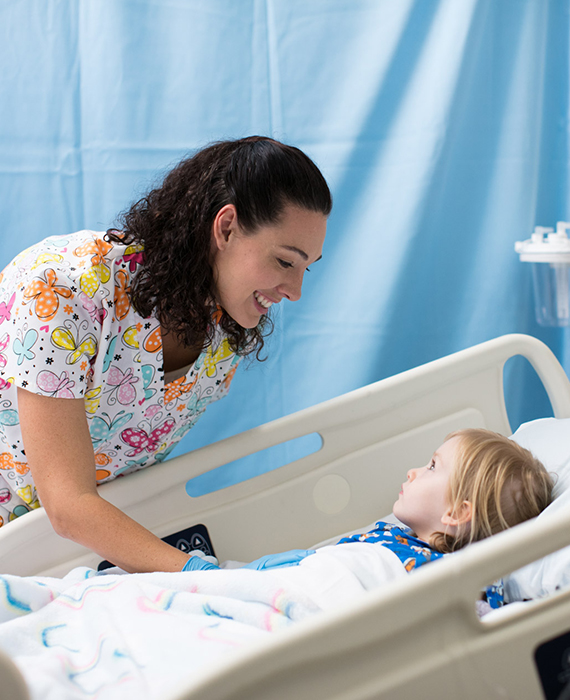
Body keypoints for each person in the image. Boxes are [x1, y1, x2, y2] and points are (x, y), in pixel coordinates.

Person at [0, 136, 332, 574]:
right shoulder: (65, 291)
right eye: (285, 262)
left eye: (307, 267)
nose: (295, 291)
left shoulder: (224, 333)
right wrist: (205, 576)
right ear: (226, 227)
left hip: (61, 554)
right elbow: (68, 503)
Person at [186, 429, 553, 608]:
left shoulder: (447, 579)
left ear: (456, 512)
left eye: (431, 466)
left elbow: (477, 623)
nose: (413, 471)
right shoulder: (397, 538)